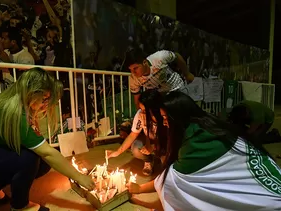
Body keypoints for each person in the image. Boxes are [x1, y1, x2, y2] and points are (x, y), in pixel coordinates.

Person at [0, 68, 95, 211]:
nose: (46, 105)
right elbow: (47, 153)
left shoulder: (13, 102)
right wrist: (79, 177)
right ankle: (19, 206)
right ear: (32, 93)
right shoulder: (14, 113)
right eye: (45, 99)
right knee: (29, 158)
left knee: (42, 162)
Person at [127, 91, 281, 210]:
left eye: (166, 119)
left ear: (178, 118)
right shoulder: (209, 123)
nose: (165, 124)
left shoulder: (195, 142)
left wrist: (139, 189)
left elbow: (169, 181)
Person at [107, 90, 162, 176]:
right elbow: (133, 134)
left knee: (164, 157)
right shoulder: (140, 115)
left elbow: (170, 139)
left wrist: (154, 147)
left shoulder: (163, 117)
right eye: (140, 109)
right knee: (136, 148)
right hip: (150, 139)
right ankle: (149, 160)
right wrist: (118, 151)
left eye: (144, 110)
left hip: (164, 142)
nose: (141, 112)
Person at [125, 48, 195, 109]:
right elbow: (137, 100)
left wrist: (187, 74)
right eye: (130, 70)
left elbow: (176, 56)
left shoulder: (159, 58)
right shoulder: (133, 79)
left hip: (178, 88)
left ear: (144, 62)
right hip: (162, 99)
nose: (133, 72)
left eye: (135, 68)